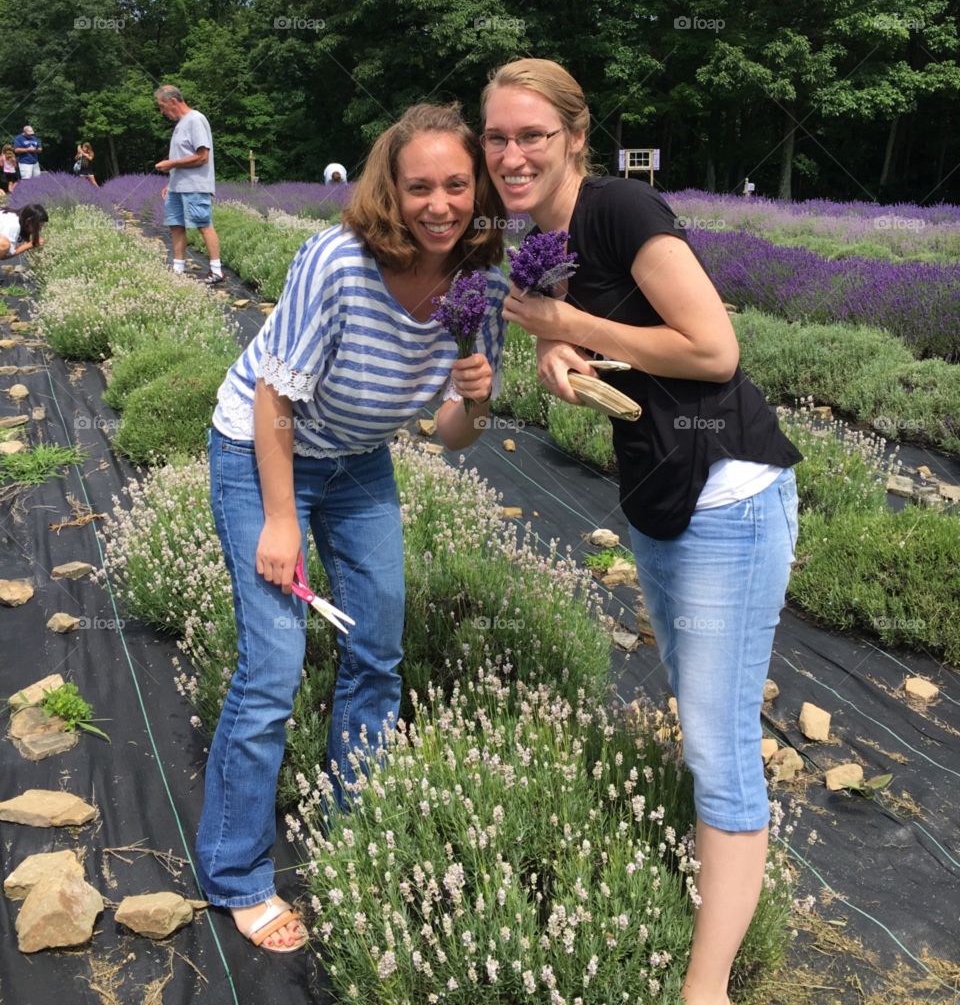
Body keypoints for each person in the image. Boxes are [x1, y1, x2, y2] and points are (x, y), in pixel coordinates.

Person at [480, 59, 801, 1005]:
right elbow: (574, 334)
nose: (511, 153)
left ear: (575, 136)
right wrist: (554, 348)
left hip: (726, 496)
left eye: (532, 134)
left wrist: (569, 320)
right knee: (708, 729)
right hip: (664, 497)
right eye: (497, 136)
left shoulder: (619, 208)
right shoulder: (536, 237)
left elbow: (714, 349)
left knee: (719, 744)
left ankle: (706, 989)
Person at [196, 102, 508, 953]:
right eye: (419, 187)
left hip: (359, 459)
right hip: (264, 447)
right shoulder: (338, 261)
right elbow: (274, 396)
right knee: (274, 666)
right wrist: (278, 521)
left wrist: (476, 400)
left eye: (456, 184)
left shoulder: (480, 286)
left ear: (477, 188)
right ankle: (236, 875)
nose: (439, 203)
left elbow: (451, 432)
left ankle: (350, 824)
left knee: (377, 646)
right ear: (391, 190)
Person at [153, 85, 224, 284]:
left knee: (203, 224)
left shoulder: (196, 120)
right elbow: (183, 155)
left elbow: (202, 157)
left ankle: (217, 271)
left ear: (173, 102)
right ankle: (178, 270)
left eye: (162, 106)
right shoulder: (181, 124)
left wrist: (171, 164)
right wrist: (171, 181)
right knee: (176, 226)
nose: (162, 111)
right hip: (178, 186)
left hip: (195, 186)